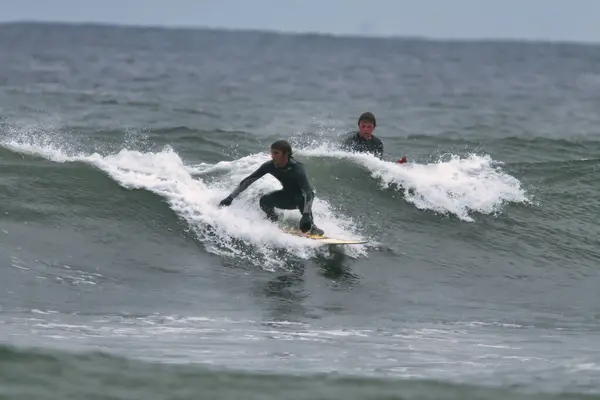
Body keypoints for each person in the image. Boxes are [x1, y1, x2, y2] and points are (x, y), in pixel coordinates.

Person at [218, 140, 324, 236]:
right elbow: (248, 180)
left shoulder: (297, 169)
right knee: (264, 200)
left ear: (286, 154)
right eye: (272, 152)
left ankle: (312, 227)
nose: (272, 156)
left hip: (301, 200)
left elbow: (309, 193)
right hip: (286, 196)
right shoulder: (269, 166)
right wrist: (231, 197)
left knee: (301, 197)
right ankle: (273, 220)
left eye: (276, 153)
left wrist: (306, 215)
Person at [341, 111, 407, 164]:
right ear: (359, 126)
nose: (366, 129)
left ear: (374, 127)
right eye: (363, 126)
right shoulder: (351, 140)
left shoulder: (378, 143)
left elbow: (378, 164)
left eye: (369, 127)